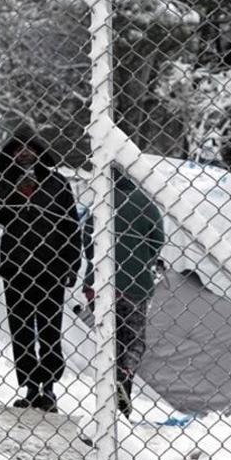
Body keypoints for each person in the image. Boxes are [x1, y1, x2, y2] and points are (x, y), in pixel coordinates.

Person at [0, 131, 82, 413]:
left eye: (30, 149)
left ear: (41, 152)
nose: (25, 154)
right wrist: (16, 188)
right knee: (22, 331)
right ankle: (30, 386)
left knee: (50, 330)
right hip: (17, 268)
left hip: (50, 268)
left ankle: (49, 388)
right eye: (18, 150)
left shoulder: (57, 184)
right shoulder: (4, 181)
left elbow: (71, 227)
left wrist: (71, 264)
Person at [82, 168, 166, 418]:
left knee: (108, 339)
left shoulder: (99, 201)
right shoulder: (144, 203)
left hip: (98, 283)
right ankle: (124, 382)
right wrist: (141, 260)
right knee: (133, 340)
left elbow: (87, 240)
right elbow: (157, 240)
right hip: (135, 285)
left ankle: (107, 396)